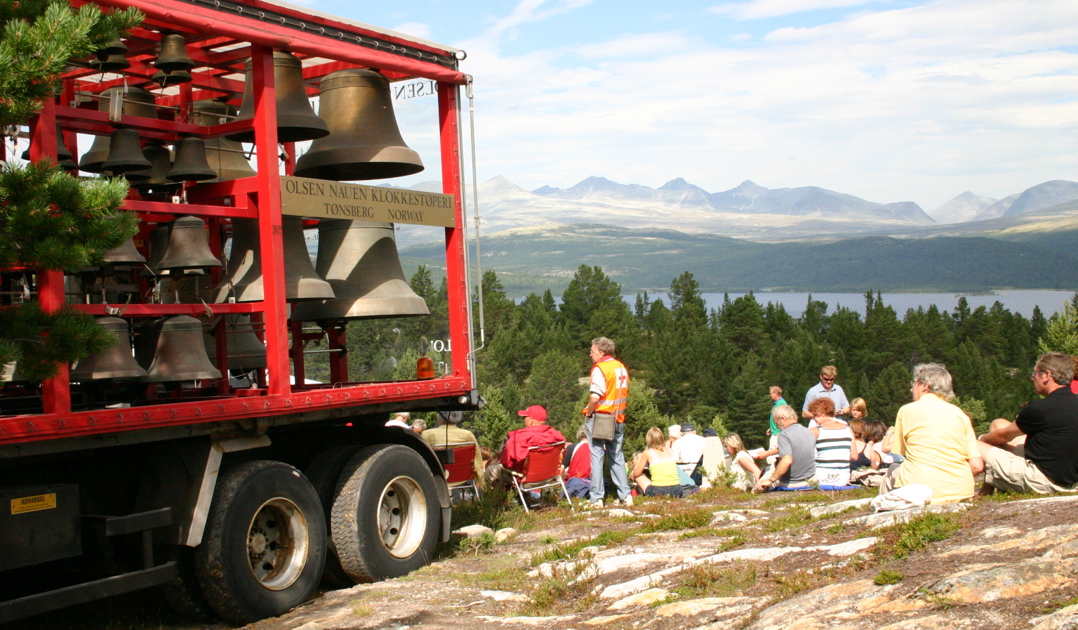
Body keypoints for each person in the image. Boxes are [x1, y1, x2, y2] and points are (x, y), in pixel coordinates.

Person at [879, 363, 984, 503]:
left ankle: (882, 510)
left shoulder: (906, 411)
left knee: (893, 468)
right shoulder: (961, 415)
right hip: (961, 491)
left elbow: (900, 451)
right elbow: (977, 466)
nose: (911, 389)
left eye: (914, 383)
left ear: (924, 386)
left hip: (921, 489)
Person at [977, 352, 1078, 495]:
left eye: (1035, 373)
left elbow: (1002, 437)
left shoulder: (1040, 408)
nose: (1032, 378)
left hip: (1042, 482)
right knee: (998, 424)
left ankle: (973, 491)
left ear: (1046, 375)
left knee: (970, 443)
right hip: (1070, 481)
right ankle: (987, 490)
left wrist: (981, 440)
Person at [584, 336, 632, 508]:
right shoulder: (620, 367)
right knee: (616, 455)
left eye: (592, 351)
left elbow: (595, 396)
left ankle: (597, 498)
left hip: (602, 417)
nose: (590, 355)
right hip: (618, 417)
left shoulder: (600, 368)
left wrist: (589, 412)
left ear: (601, 352)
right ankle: (625, 496)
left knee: (596, 455)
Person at [486, 405, 566, 485]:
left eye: (524, 418)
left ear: (530, 420)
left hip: (525, 479)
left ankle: (493, 497)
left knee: (491, 470)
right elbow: (562, 453)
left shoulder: (518, 437)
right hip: (549, 476)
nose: (524, 420)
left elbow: (507, 462)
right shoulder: (557, 435)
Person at [754, 405, 816, 492]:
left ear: (782, 418)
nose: (778, 427)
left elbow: (787, 461)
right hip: (810, 479)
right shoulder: (808, 431)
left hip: (792, 481)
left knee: (759, 485)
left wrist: (771, 480)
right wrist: (769, 453)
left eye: (777, 424)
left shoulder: (784, 435)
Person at [422, 411, 484, 491]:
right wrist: (481, 480)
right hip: (462, 476)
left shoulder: (427, 434)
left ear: (439, 419)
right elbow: (477, 458)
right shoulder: (467, 435)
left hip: (438, 476)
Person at [807, 398, 854, 487]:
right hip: (843, 478)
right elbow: (854, 456)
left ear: (823, 414)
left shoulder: (815, 431)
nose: (813, 419)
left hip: (821, 477)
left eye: (815, 416)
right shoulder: (848, 429)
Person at [630, 427, 686, 497]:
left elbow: (636, 474)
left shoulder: (648, 452)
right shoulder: (669, 450)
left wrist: (639, 458)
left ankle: (640, 495)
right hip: (677, 490)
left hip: (659, 491)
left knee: (638, 477)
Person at [563, 426, 592, 499]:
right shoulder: (596, 449)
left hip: (576, 481)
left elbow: (562, 468)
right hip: (592, 482)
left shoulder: (572, 447)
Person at [767, 386, 788, 452]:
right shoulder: (777, 404)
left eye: (771, 393)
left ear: (776, 393)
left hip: (778, 433)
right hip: (775, 431)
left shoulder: (781, 403)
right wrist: (771, 428)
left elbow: (784, 417)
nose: (770, 395)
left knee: (772, 455)